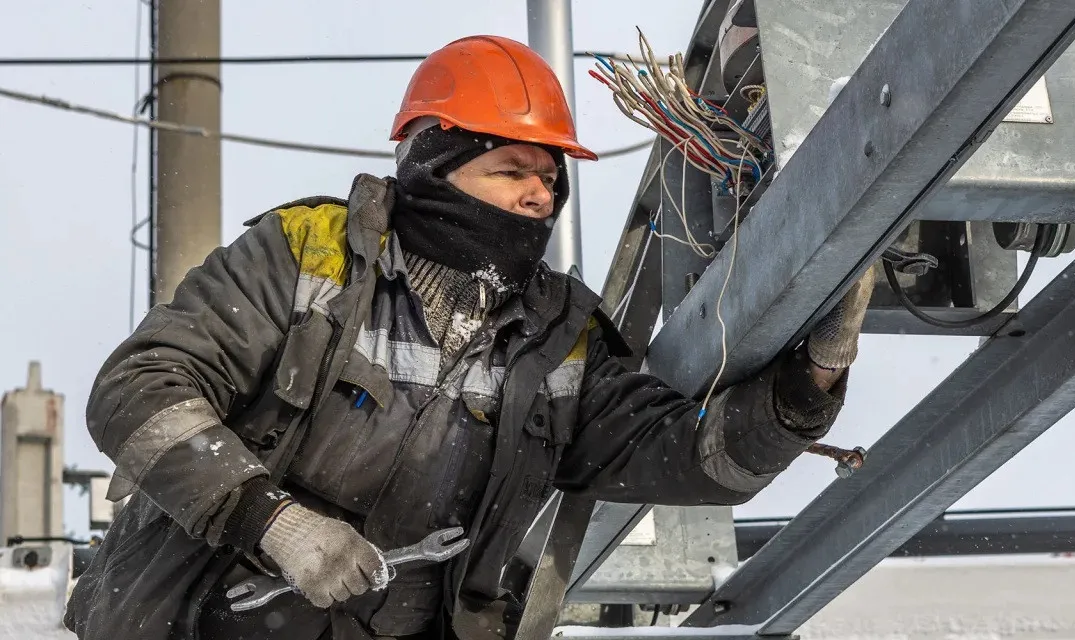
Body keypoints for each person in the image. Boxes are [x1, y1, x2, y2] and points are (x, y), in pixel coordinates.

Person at [63, 34, 876, 640]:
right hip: (186, 622)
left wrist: (808, 390)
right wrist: (273, 521)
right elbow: (139, 390)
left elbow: (693, 456)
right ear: (433, 166)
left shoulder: (561, 333)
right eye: (513, 169)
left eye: (551, 177)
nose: (537, 195)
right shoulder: (306, 255)